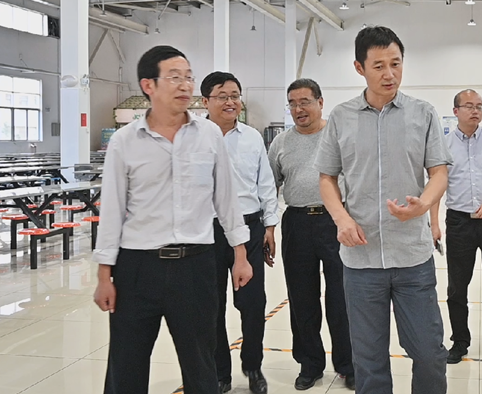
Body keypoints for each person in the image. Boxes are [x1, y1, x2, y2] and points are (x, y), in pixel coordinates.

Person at [93, 46, 253, 394]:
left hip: (195, 267)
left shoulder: (209, 135)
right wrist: (104, 276)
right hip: (137, 268)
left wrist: (240, 254)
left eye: (189, 77)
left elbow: (226, 199)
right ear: (148, 85)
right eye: (174, 77)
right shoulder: (124, 141)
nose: (185, 85)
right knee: (126, 365)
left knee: (201, 365)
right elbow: (112, 211)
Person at [314, 25, 452, 394]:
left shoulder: (423, 113)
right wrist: (341, 218)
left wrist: (424, 204)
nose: (389, 74)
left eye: (396, 63)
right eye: (378, 66)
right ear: (359, 68)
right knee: (369, 360)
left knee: (429, 353)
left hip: (412, 258)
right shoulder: (341, 117)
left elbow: (439, 173)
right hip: (361, 261)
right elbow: (326, 177)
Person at [268, 78, 354, 391]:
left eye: (304, 101)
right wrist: (269, 227)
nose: (298, 109)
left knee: (341, 298)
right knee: (302, 298)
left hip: (336, 222)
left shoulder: (339, 137)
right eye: (292, 103)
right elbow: (270, 186)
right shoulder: (281, 143)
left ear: (320, 102)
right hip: (297, 223)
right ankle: (310, 364)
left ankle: (348, 364)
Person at [201, 72, 279, 394]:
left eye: (235, 95)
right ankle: (220, 372)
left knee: (252, 302)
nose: (231, 102)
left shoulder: (252, 137)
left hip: (249, 228)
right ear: (205, 101)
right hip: (207, 231)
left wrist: (270, 226)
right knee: (211, 305)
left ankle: (253, 366)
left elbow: (266, 184)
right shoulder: (195, 137)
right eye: (222, 96)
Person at [429, 89, 482, 365]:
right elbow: (435, 186)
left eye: (479, 106)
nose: (475, 111)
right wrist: (434, 224)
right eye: (469, 106)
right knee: (457, 287)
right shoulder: (444, 146)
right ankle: (460, 340)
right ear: (456, 111)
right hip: (459, 224)